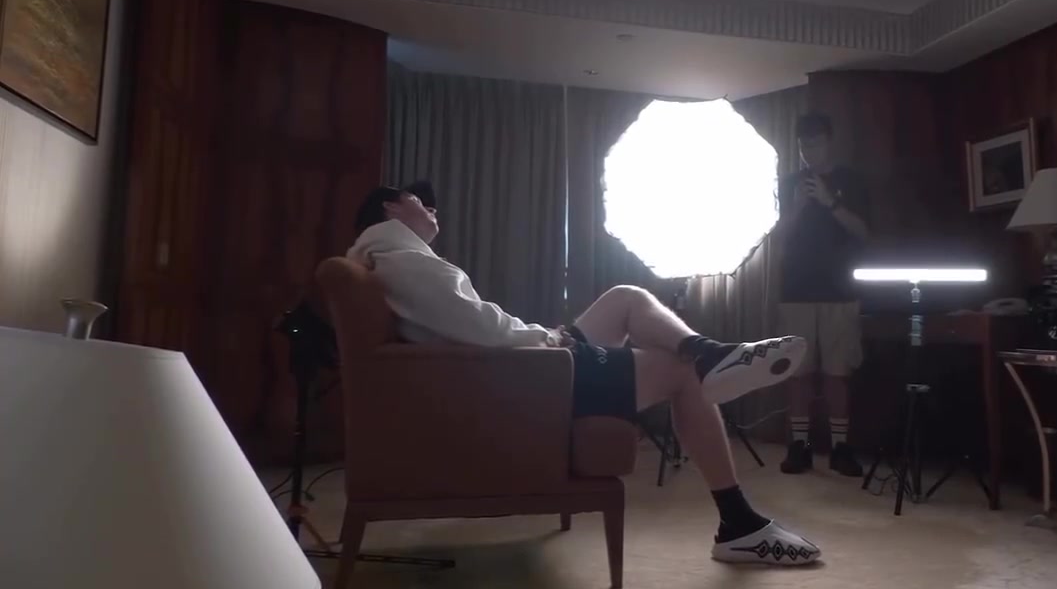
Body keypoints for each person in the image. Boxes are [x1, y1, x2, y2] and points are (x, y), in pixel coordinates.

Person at [347, 185, 823, 566]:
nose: (430, 208)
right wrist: (549, 340)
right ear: (391, 208)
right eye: (418, 200)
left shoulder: (394, 256)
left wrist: (547, 336)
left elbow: (475, 329)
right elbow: (482, 331)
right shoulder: (403, 259)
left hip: (522, 367)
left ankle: (713, 354)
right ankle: (737, 522)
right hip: (534, 379)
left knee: (626, 298)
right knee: (682, 373)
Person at [775, 112, 870, 477]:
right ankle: (798, 446)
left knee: (837, 373)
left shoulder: (852, 181)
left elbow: (864, 233)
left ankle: (841, 448)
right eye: (803, 146)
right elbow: (778, 238)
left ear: (830, 142)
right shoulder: (788, 183)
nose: (808, 152)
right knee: (797, 373)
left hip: (840, 290)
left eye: (814, 144)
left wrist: (830, 202)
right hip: (795, 290)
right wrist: (798, 206)